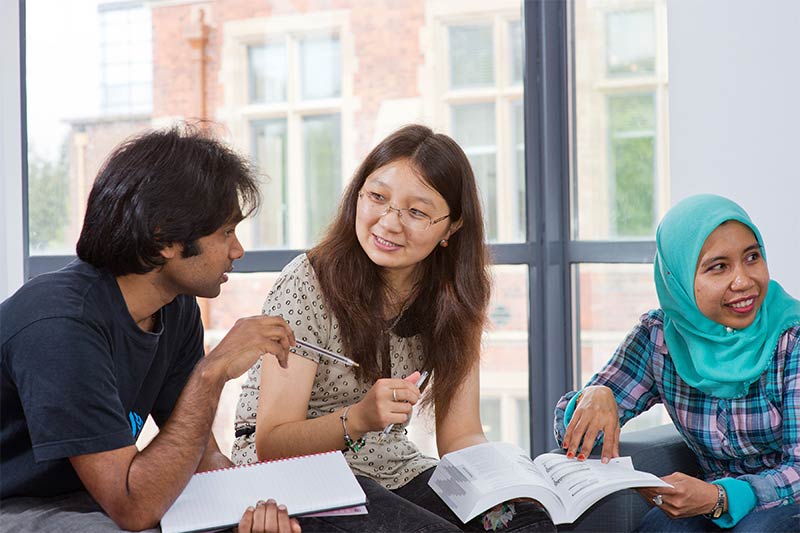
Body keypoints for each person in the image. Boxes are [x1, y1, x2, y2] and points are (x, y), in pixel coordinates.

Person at [231, 124, 555, 532]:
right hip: (297, 477)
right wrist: (360, 418)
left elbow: (461, 435)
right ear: (358, 194)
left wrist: (504, 483)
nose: (388, 222)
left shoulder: (456, 295)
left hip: (392, 468)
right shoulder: (308, 282)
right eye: (378, 197)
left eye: (416, 212)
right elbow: (272, 443)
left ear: (451, 228)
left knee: (524, 520)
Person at [0, 125, 300, 533]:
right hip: (18, 504)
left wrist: (257, 505)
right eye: (226, 232)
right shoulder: (62, 325)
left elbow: (200, 458)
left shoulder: (175, 308)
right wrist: (212, 373)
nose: (238, 251)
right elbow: (133, 508)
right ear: (164, 240)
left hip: (91, 499)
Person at [554, 194, 800, 532]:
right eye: (719, 267)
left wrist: (722, 496)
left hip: (787, 500)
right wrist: (594, 396)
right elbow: (574, 434)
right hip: (711, 502)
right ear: (678, 276)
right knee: (661, 528)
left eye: (752, 257)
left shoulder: (792, 338)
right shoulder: (661, 337)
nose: (743, 281)